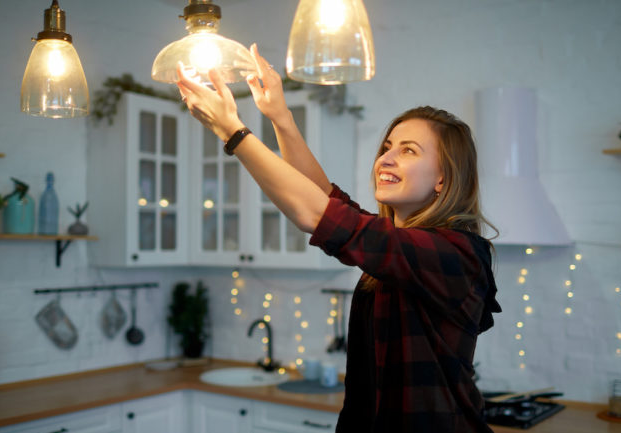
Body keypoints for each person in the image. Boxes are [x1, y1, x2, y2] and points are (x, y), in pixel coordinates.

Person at [176, 44, 502, 433]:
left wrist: (233, 132)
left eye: (409, 151)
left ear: (443, 178)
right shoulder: (399, 245)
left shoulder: (457, 253)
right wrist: (280, 117)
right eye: (386, 148)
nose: (387, 158)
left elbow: (318, 214)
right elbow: (327, 200)